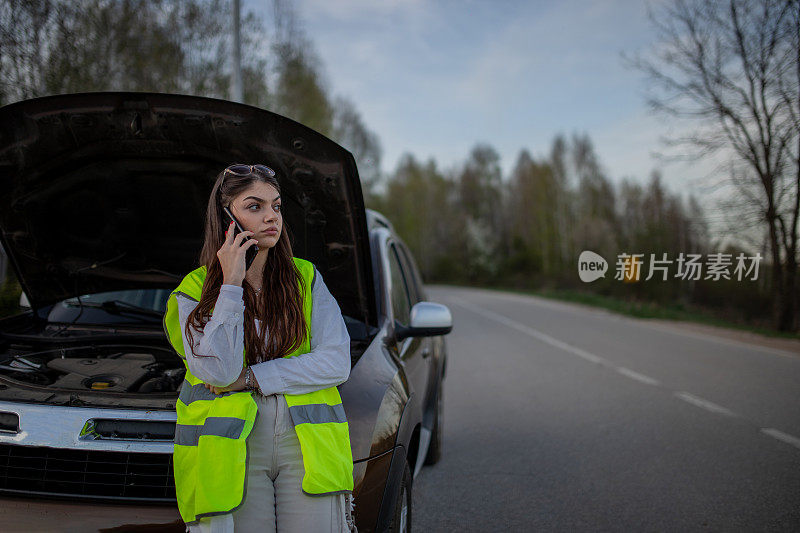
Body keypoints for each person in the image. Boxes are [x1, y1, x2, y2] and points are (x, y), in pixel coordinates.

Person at [162, 163, 357, 533]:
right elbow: (218, 372)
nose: (271, 216)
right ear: (225, 218)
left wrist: (253, 377)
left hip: (306, 446)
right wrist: (231, 284)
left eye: (277, 206)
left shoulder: (306, 277)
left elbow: (336, 362)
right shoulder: (193, 290)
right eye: (254, 207)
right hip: (235, 451)